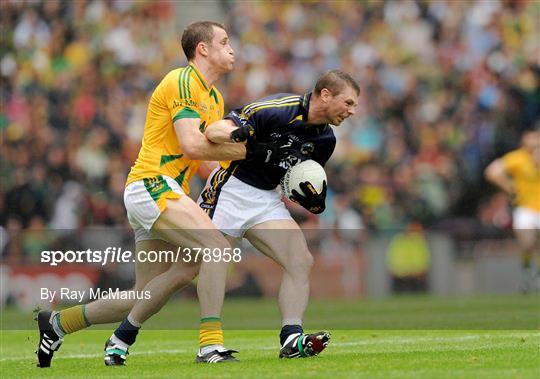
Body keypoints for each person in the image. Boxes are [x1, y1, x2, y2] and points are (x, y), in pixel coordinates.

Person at [36, 21, 286, 367]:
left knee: (151, 290)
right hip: (152, 184)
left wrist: (257, 177)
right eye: (225, 42)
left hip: (161, 193)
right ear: (203, 49)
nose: (232, 50)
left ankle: (59, 323)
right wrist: (256, 153)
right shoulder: (182, 80)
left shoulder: (213, 97)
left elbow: (204, 162)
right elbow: (191, 144)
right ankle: (209, 344)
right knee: (215, 248)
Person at [197, 69, 360, 358]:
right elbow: (213, 131)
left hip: (266, 199)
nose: (352, 111)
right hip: (231, 189)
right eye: (348, 103)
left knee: (300, 260)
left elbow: (292, 180)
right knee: (186, 272)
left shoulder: (326, 140)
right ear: (325, 94)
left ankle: (291, 338)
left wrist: (308, 199)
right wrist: (241, 133)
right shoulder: (275, 110)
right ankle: (132, 331)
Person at [484, 127, 540, 293]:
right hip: (526, 209)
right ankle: (528, 270)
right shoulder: (517, 158)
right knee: (527, 242)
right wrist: (511, 188)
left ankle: (533, 273)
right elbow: (492, 172)